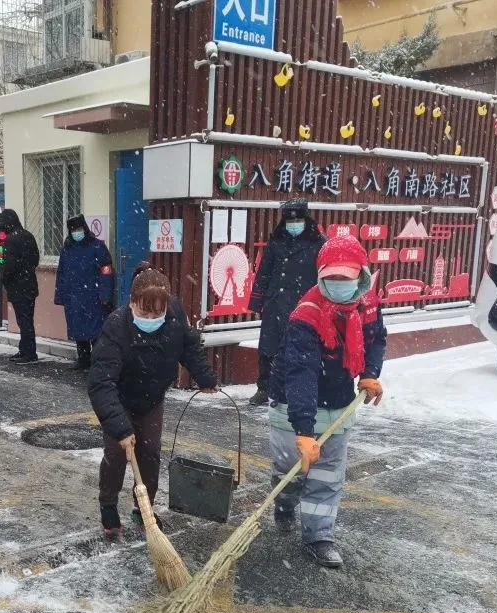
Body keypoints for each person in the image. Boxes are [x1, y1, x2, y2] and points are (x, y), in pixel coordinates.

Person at [268, 235, 386, 569]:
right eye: (330, 277)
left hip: (337, 404)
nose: (337, 283)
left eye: (344, 277)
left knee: (327, 478)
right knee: (289, 474)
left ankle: (319, 536)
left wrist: (368, 372)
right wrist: (303, 430)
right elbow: (301, 372)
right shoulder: (306, 315)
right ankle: (284, 504)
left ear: (360, 276)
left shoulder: (366, 306)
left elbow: (375, 339)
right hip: (291, 406)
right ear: (320, 275)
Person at [88, 268, 219, 537]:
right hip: (120, 397)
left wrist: (205, 377)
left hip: (151, 397)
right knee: (116, 453)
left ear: (166, 307)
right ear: (132, 302)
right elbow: (101, 383)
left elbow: (189, 347)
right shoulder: (116, 327)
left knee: (150, 454)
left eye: (156, 314)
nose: (151, 319)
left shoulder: (174, 318)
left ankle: (144, 507)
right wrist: (121, 429)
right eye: (144, 313)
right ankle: (108, 506)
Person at [248, 198, 325, 406]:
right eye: (289, 220)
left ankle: (295, 390)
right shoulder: (277, 239)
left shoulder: (318, 242)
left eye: (297, 220)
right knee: (268, 347)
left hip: (303, 305)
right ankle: (264, 388)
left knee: (298, 348)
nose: (293, 224)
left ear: (305, 219)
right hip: (275, 302)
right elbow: (264, 271)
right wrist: (257, 301)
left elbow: (323, 275)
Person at [54, 214, 113, 370]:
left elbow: (106, 270)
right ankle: (83, 359)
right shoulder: (67, 248)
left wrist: (105, 293)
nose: (76, 232)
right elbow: (61, 272)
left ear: (85, 229)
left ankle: (98, 360)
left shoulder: (97, 246)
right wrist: (60, 294)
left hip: (93, 296)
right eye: (73, 230)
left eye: (79, 229)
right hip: (73, 297)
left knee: (96, 331)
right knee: (78, 329)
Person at [0, 208, 41, 364]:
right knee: (27, 320)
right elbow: (36, 259)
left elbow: (8, 266)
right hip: (29, 285)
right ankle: (26, 350)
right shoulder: (28, 235)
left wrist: (3, 278)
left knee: (24, 321)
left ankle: (28, 353)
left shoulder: (11, 240)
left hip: (18, 287)